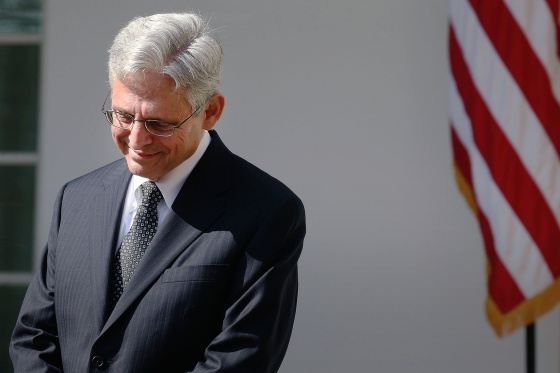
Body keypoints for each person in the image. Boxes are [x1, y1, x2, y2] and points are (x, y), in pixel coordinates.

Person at [10, 12, 305, 373]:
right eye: (123, 116)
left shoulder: (266, 211)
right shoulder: (77, 198)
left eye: (158, 123)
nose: (136, 139)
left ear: (210, 111)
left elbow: (240, 359)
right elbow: (33, 337)